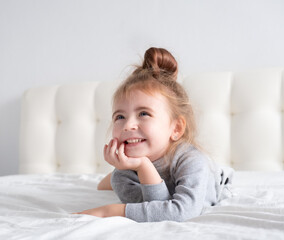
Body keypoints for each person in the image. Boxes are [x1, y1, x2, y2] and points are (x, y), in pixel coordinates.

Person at [76, 47, 233, 222]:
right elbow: (152, 208)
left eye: (143, 113)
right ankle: (107, 179)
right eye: (120, 116)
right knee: (106, 184)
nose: (128, 125)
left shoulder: (192, 161)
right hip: (139, 171)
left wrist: (110, 211)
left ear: (176, 129)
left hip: (214, 179)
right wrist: (142, 166)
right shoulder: (122, 175)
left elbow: (181, 212)